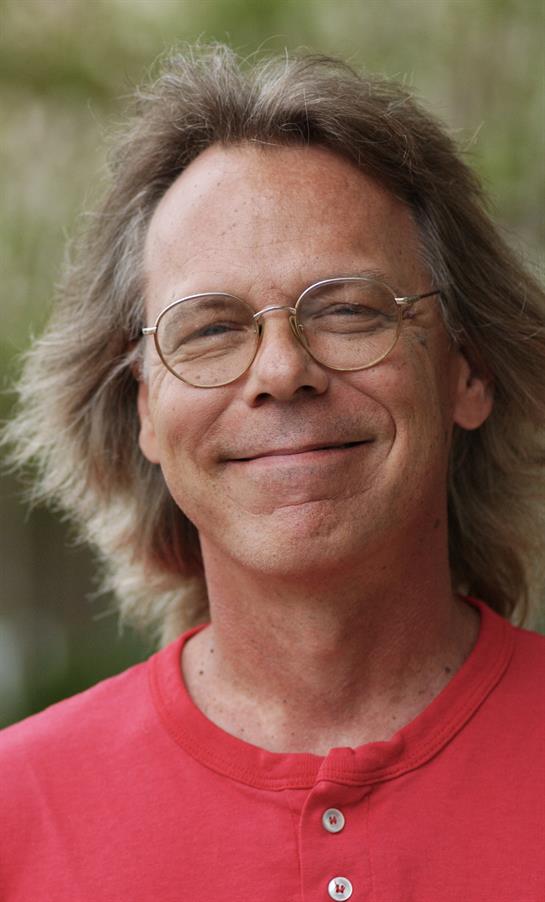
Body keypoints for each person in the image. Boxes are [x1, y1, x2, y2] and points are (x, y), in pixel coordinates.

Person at [1, 45, 544, 902]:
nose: (281, 369)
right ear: (144, 409)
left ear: (465, 370)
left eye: (347, 309)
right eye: (210, 328)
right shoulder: (15, 816)